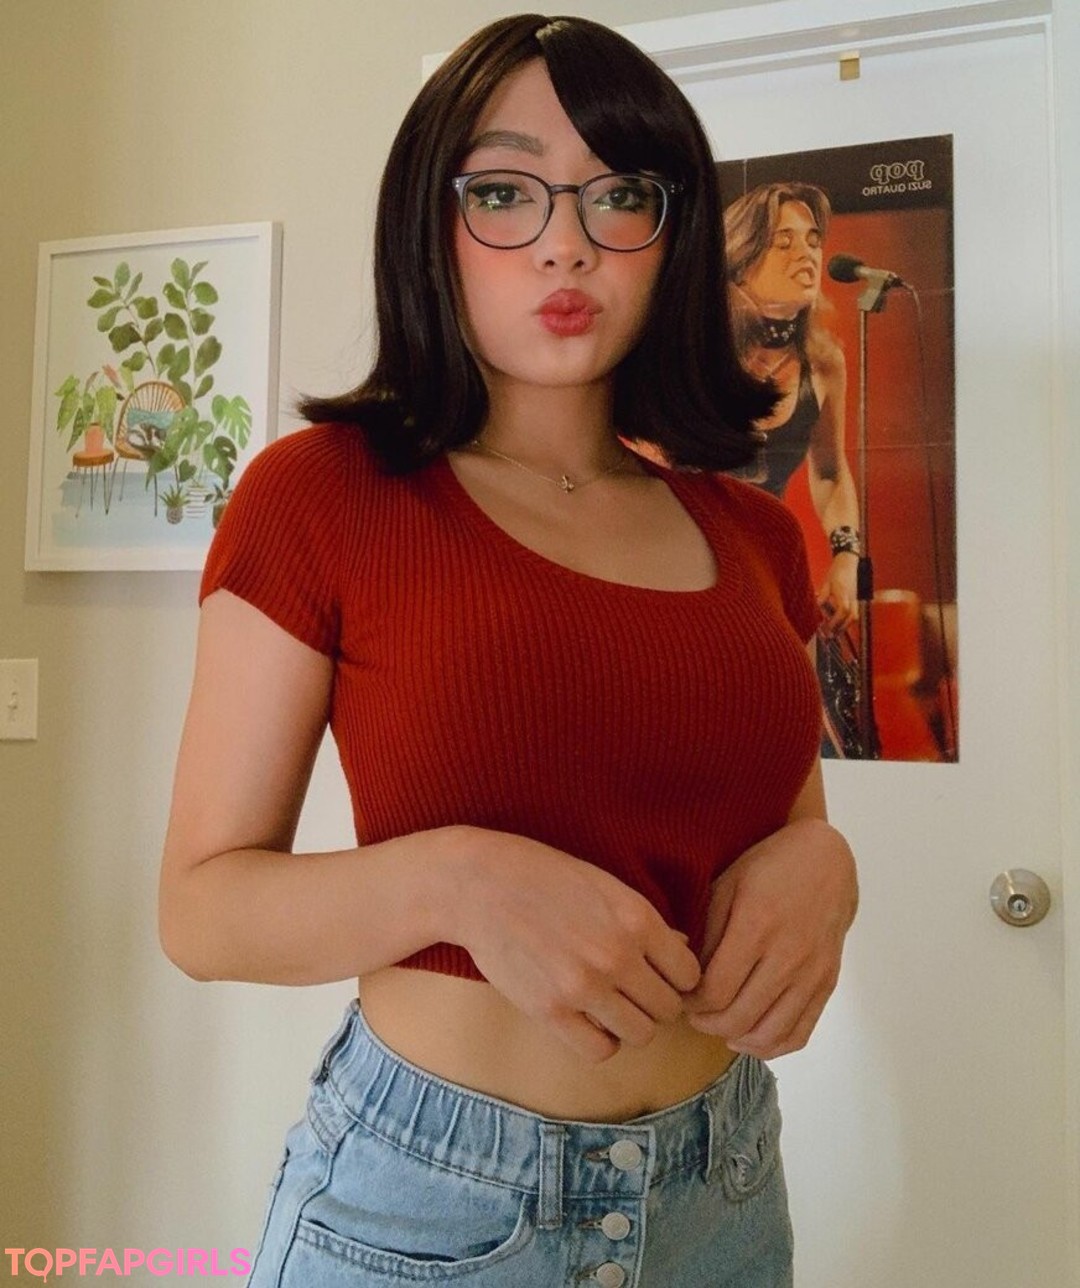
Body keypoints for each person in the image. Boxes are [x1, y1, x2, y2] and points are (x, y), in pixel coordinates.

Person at [159, 15, 858, 1287]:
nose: (565, 242)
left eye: (619, 195)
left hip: (724, 1185)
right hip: (434, 1205)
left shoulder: (755, 533)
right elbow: (201, 910)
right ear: (431, 225)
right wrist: (457, 883)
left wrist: (829, 862)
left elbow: (784, 827)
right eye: (502, 191)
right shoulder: (324, 493)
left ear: (675, 237)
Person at [724, 182, 861, 633]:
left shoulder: (823, 362)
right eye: (783, 242)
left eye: (813, 241)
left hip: (771, 580)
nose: (806, 254)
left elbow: (830, 473)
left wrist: (846, 558)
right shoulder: (693, 356)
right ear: (740, 259)